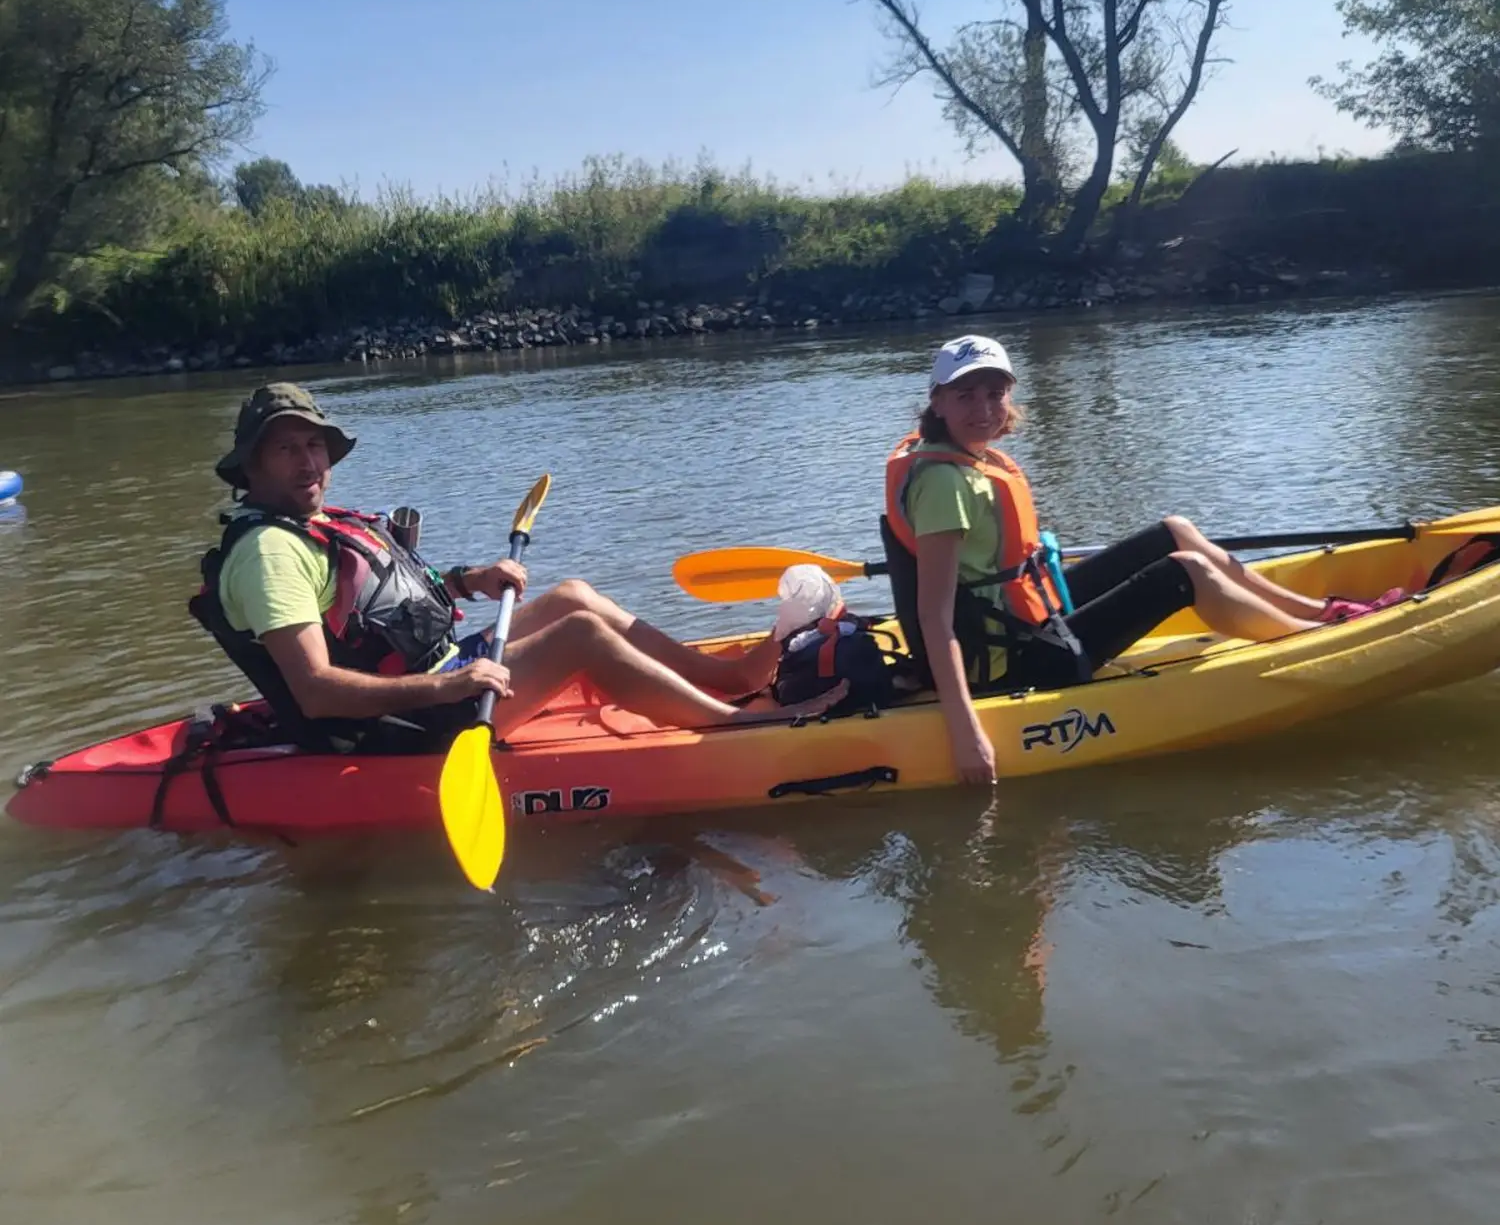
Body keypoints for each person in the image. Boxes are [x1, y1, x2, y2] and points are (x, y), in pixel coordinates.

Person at [192, 384, 839, 752]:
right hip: (406, 719)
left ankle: (725, 678)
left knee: (573, 597)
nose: (309, 463)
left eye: (314, 445)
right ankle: (736, 725)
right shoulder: (269, 554)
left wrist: (467, 581)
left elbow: (375, 607)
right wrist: (450, 687)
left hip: (442, 673)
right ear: (252, 468)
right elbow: (317, 690)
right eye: (286, 449)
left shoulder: (315, 528)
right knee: (579, 636)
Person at [881, 336, 1394, 786]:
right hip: (1006, 663)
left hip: (1025, 618)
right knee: (1182, 574)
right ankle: (1311, 648)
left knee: (1175, 532)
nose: (984, 408)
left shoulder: (970, 458)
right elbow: (935, 616)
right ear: (938, 402)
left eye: (995, 393)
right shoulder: (944, 484)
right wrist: (966, 730)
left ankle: (1321, 614)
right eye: (965, 394)